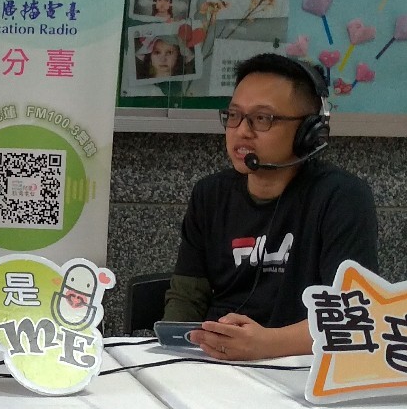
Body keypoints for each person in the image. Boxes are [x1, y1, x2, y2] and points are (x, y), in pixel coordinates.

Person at [161, 52, 379, 360]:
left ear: (309, 131)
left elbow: (352, 314)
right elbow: (186, 298)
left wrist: (267, 344)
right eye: (234, 115)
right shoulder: (209, 195)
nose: (242, 131)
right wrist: (172, 354)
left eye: (262, 118)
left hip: (301, 367)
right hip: (216, 361)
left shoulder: (342, 197)